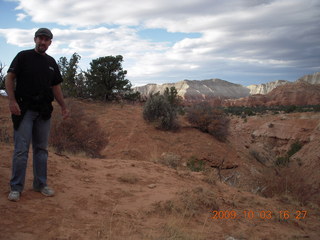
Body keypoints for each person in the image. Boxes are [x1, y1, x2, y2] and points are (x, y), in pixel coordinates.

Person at [5, 28, 69, 202]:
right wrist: (12, 101)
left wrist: (63, 105)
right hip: (24, 109)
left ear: (50, 42)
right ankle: (16, 187)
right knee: (21, 150)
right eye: (40, 39)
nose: (43, 42)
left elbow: (56, 86)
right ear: (35, 39)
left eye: (46, 40)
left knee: (41, 150)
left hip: (44, 111)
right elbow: (9, 78)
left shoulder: (51, 62)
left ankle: (40, 184)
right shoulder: (23, 56)